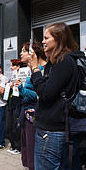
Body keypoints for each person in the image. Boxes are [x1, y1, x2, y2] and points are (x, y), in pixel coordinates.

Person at [29, 22, 79, 169]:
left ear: (58, 38)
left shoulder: (63, 61)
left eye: (46, 38)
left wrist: (34, 69)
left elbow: (45, 93)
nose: (43, 41)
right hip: (51, 130)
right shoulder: (56, 62)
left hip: (50, 132)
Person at [16, 41, 46, 170]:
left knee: (33, 150)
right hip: (26, 114)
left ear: (32, 53)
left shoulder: (42, 70)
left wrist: (22, 89)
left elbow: (40, 94)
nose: (21, 53)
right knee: (27, 149)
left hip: (35, 116)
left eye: (24, 50)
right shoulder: (29, 70)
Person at [5, 59, 24, 155]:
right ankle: (13, 145)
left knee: (16, 127)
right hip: (10, 104)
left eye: (13, 65)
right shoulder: (11, 78)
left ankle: (18, 147)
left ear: (18, 67)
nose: (11, 67)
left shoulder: (22, 77)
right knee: (9, 126)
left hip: (17, 104)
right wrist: (8, 86)